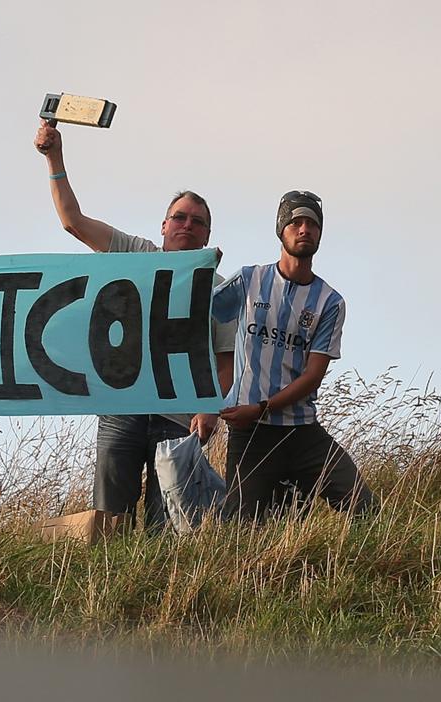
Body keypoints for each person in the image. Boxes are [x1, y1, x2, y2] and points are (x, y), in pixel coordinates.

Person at [33, 119, 235, 530]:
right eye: (179, 217)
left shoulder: (217, 288)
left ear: (208, 233)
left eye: (197, 221)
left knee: (171, 525)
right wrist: (54, 156)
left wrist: (210, 408)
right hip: (123, 408)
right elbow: (73, 220)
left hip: (178, 420)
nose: (187, 225)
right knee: (108, 521)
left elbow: (226, 358)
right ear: (163, 226)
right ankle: (103, 592)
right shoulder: (134, 254)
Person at [212, 191, 372, 519]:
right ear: (281, 229)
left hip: (301, 430)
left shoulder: (330, 302)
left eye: (312, 224)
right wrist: (199, 271)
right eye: (296, 222)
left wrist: (262, 407)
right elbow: (203, 312)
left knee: (364, 507)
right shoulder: (248, 279)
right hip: (250, 433)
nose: (304, 229)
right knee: (242, 531)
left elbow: (313, 376)